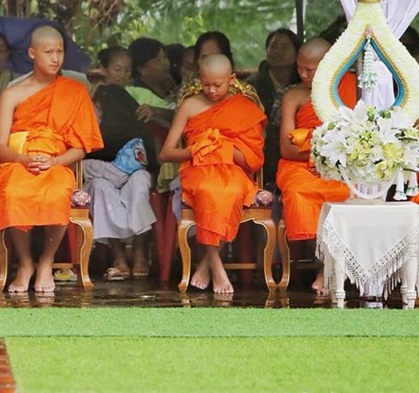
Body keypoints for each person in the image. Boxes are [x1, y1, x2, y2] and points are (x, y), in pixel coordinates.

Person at [0, 26, 103, 294]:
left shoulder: (75, 92)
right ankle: (25, 264)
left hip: (57, 163)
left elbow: (81, 147)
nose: (56, 58)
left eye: (60, 52)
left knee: (57, 192)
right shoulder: (13, 93)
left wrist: (55, 162)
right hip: (19, 163)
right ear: (32, 53)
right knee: (12, 193)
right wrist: (23, 159)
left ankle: (46, 262)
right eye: (49, 52)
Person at [159, 54, 266, 294]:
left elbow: (254, 159)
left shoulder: (243, 107)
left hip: (234, 173)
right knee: (209, 191)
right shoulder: (190, 105)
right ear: (199, 79)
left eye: (218, 85)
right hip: (198, 170)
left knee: (231, 192)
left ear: (232, 79)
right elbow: (166, 153)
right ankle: (216, 265)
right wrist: (197, 149)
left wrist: (223, 147)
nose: (212, 90)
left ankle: (207, 263)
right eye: (206, 84)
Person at [276, 38, 355, 293]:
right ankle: (326, 263)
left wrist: (332, 159)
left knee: (347, 193)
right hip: (300, 164)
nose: (303, 74)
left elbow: (361, 135)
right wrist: (317, 159)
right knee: (299, 192)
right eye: (300, 68)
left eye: (310, 69)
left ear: (331, 65)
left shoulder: (354, 87)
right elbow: (287, 147)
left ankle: (333, 265)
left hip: (343, 164)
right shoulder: (294, 95)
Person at [84, 47, 156, 281]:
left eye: (127, 70)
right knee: (101, 187)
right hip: (103, 169)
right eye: (117, 69)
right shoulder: (92, 98)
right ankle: (119, 256)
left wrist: (153, 111)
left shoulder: (135, 95)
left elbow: (175, 112)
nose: (122, 75)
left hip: (132, 169)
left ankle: (139, 251)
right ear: (103, 70)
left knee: (140, 181)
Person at [247, 28, 302, 185]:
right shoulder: (252, 86)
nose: (278, 51)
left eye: (285, 47)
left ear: (297, 53)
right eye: (273, 46)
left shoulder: (303, 84)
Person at [126, 37, 176, 129]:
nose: (165, 63)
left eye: (164, 57)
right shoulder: (137, 94)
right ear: (141, 69)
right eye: (157, 60)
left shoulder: (170, 87)